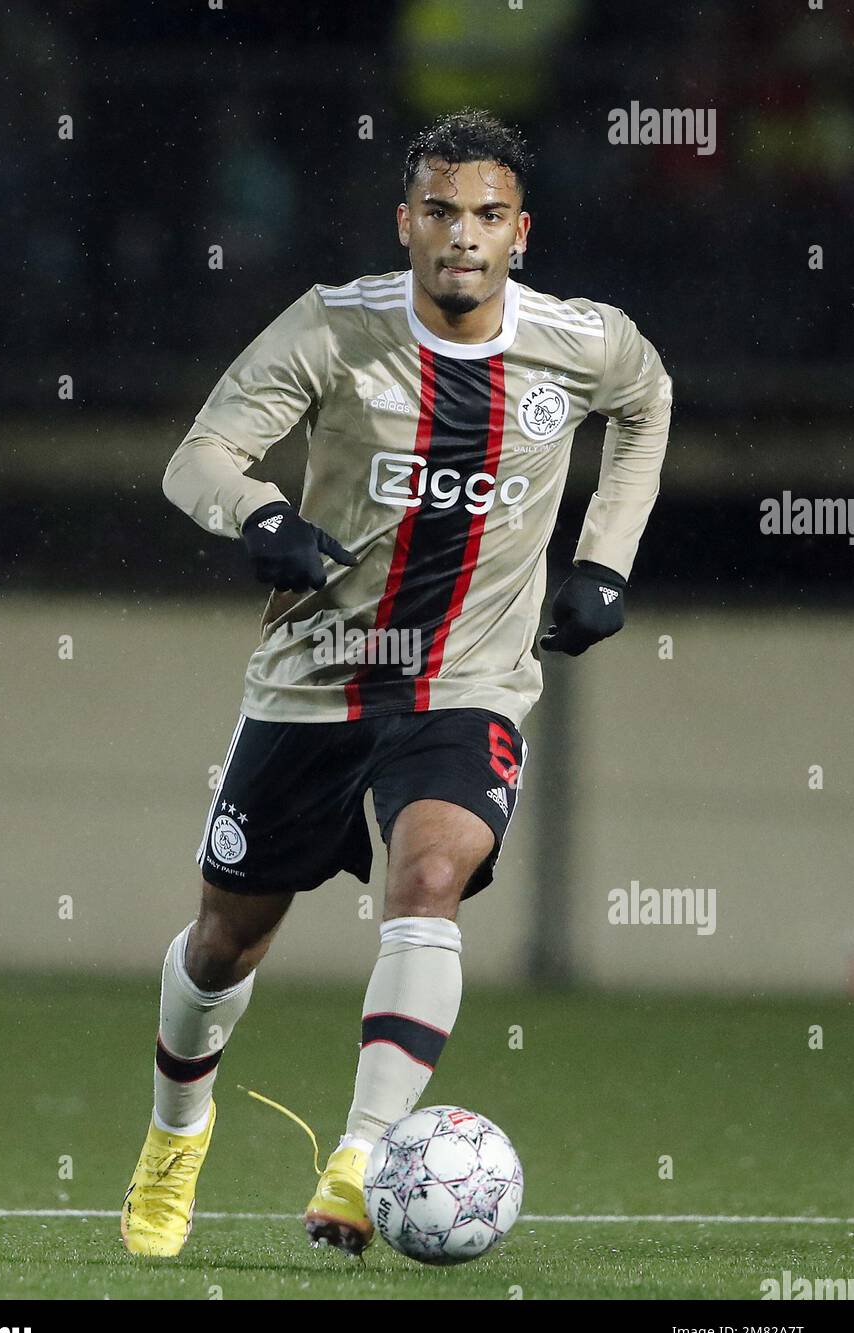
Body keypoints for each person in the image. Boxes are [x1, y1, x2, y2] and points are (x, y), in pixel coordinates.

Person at [121, 108, 672, 1258]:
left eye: (483, 215)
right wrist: (259, 513)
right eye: (437, 211)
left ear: (519, 231)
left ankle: (360, 1160)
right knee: (224, 943)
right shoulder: (332, 326)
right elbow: (197, 458)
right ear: (404, 222)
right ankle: (176, 1135)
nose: (459, 236)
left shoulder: (579, 342)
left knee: (426, 873)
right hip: (313, 678)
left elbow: (645, 398)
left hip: (464, 681)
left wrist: (603, 560)